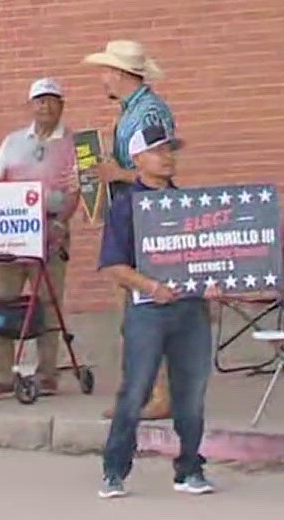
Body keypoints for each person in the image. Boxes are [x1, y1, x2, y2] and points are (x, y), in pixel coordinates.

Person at [96, 124, 225, 499]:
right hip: (147, 311)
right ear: (137, 160)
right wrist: (152, 287)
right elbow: (113, 266)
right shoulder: (125, 207)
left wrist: (212, 284)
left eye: (170, 150)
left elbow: (207, 256)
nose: (166, 157)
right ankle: (114, 469)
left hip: (190, 310)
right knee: (135, 391)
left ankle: (189, 468)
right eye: (157, 151)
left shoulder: (188, 206)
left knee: (191, 393)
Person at [82, 39, 175, 421]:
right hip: (130, 208)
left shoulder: (148, 114)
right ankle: (143, 389)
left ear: (121, 74)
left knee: (147, 306)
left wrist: (115, 173)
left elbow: (161, 165)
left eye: (106, 71)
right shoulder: (132, 112)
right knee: (134, 311)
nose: (102, 78)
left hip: (145, 212)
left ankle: (160, 393)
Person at [0, 78, 80, 399]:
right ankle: (1, 374)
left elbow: (79, 190)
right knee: (6, 300)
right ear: (31, 105)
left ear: (62, 106)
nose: (46, 106)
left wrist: (62, 224)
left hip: (51, 228)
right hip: (12, 233)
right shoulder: (11, 141)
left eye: (53, 100)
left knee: (49, 303)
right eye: (40, 100)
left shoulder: (79, 143)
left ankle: (47, 373)